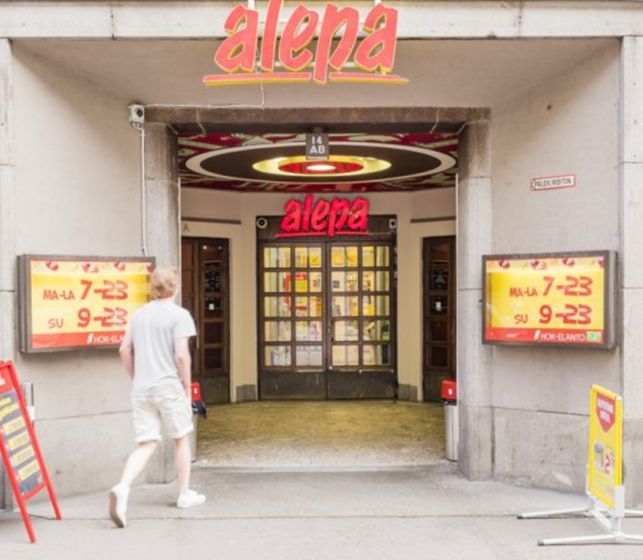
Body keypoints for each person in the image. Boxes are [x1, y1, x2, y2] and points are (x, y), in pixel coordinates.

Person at [109, 266, 205, 528]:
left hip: (142, 389)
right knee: (180, 439)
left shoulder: (139, 314)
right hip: (169, 387)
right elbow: (181, 355)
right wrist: (187, 386)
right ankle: (184, 494)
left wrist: (135, 377)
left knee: (146, 444)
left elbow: (124, 349)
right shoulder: (180, 315)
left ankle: (123, 486)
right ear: (176, 287)